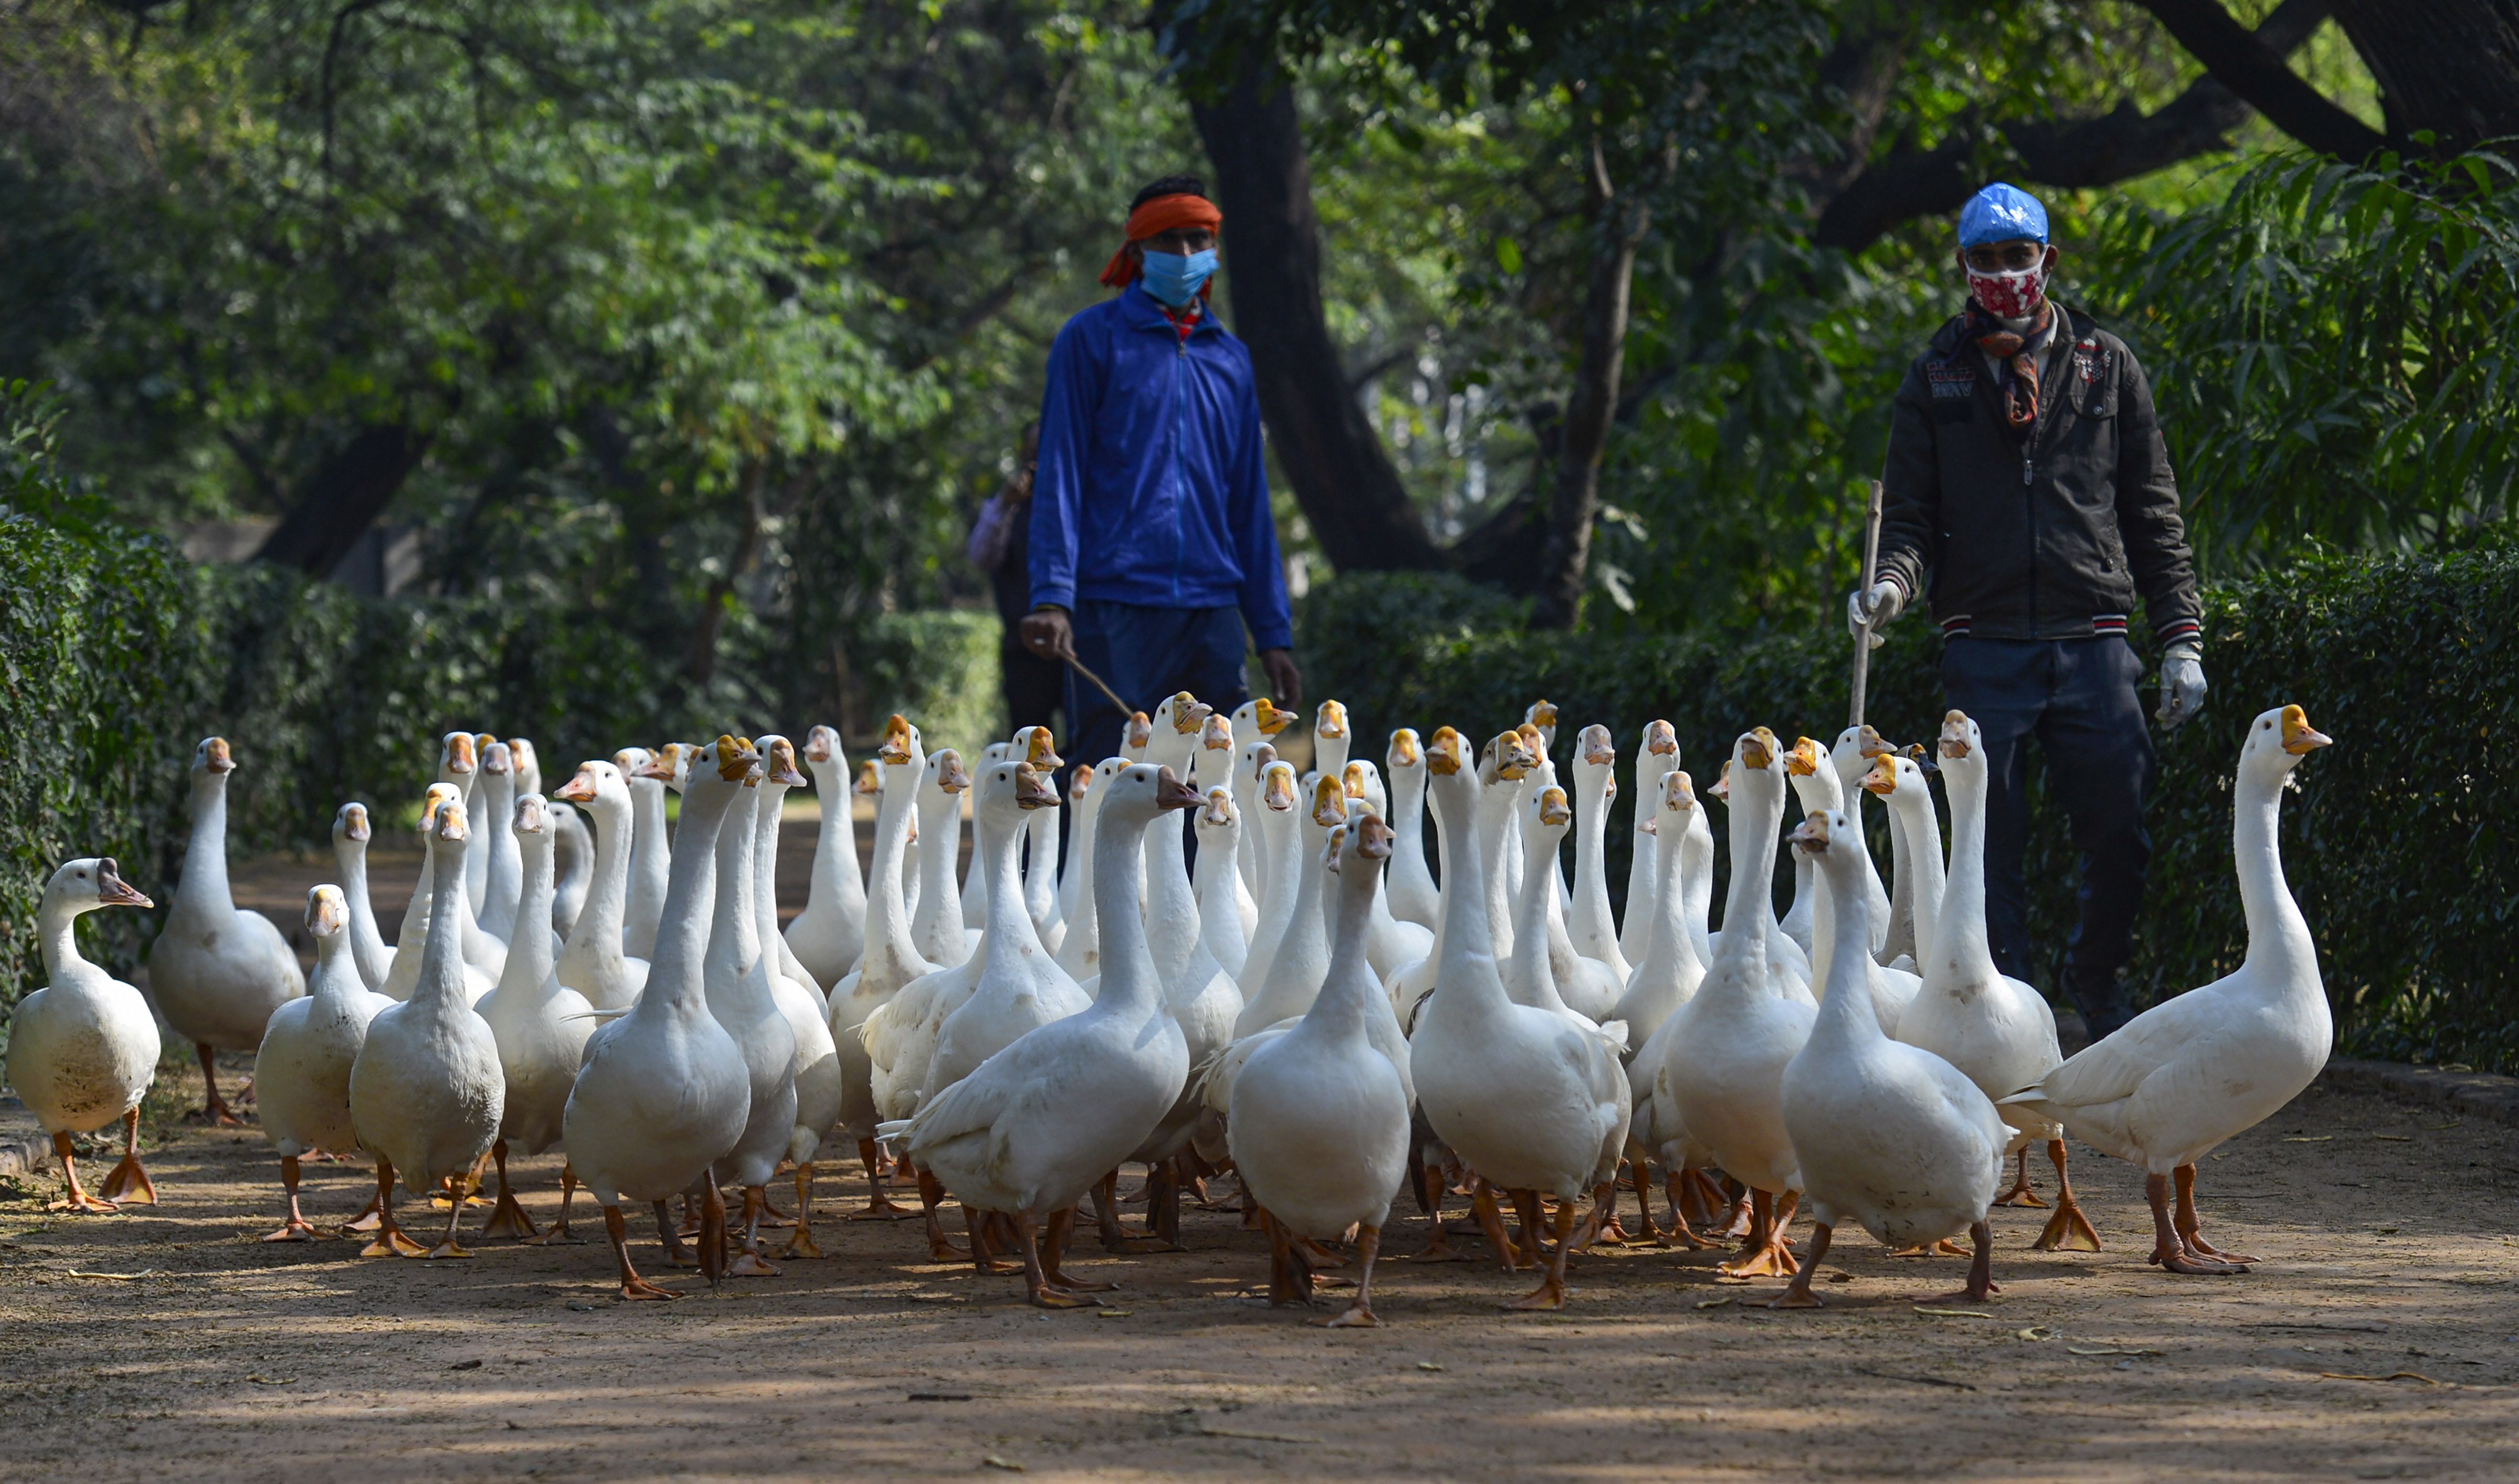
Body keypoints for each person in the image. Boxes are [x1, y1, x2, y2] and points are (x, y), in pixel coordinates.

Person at [1850, 181, 2206, 1041]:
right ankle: (2012, 1005)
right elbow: (1908, 520)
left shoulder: (2106, 364)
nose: (2005, 273)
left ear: (2048, 259)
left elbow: (2152, 509)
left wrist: (2182, 639)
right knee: (1985, 837)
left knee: (2120, 820)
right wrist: (1889, 585)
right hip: (1984, 642)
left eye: (2020, 257)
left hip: (2095, 640)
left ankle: (2097, 975)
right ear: (1964, 267)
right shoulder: (1935, 377)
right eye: (1986, 259)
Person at [1020, 174, 1300, 768]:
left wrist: (1272, 631)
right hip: (1111, 603)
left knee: (1213, 789)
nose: (1183, 254)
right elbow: (1060, 477)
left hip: (1211, 606)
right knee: (1109, 774)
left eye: (1198, 239)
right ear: (1136, 251)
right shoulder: (1089, 341)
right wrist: (1052, 597)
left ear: (1214, 250)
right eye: (1167, 240)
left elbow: (1249, 500)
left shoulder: (1231, 359)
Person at [967, 420, 1064, 733]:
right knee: (1028, 741)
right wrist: (1006, 504)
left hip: (1075, 647)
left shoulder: (1076, 503)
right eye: (1031, 456)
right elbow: (980, 557)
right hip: (1022, 647)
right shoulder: (1007, 509)